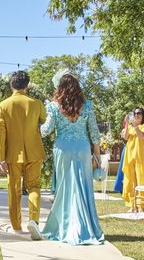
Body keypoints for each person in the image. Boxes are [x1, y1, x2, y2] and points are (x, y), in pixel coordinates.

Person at [31, 73, 103, 245]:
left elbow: (45, 130)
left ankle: (64, 227)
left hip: (62, 149)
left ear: (60, 88)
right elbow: (94, 134)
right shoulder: (87, 106)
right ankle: (85, 227)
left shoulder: (54, 107)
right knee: (83, 187)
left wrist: (32, 125)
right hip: (82, 149)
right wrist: (97, 158)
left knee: (65, 188)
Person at [0, 70, 47, 237]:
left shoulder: (3, 105)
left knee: (14, 188)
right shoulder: (37, 103)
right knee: (34, 187)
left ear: (12, 85)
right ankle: (33, 220)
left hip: (12, 154)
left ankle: (16, 225)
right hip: (34, 152)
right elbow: (44, 119)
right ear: (27, 85)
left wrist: (0, 157)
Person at [122, 107, 144, 212]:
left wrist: (136, 126)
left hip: (142, 157)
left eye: (139, 113)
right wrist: (127, 124)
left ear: (143, 115)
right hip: (130, 156)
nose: (136, 115)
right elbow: (125, 137)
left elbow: (141, 136)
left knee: (142, 180)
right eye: (135, 113)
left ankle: (142, 205)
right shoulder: (131, 127)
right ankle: (133, 205)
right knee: (131, 180)